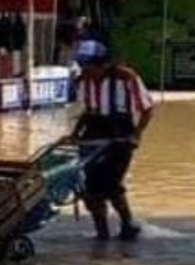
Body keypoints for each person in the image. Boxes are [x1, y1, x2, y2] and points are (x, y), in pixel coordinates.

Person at [66, 40, 155, 242]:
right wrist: (75, 134)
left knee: (111, 183)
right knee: (90, 187)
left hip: (120, 134)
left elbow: (147, 109)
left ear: (102, 64)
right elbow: (88, 112)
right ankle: (102, 232)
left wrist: (136, 134)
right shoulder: (84, 81)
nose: (86, 70)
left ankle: (127, 224)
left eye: (89, 65)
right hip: (93, 133)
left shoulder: (127, 78)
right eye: (83, 65)